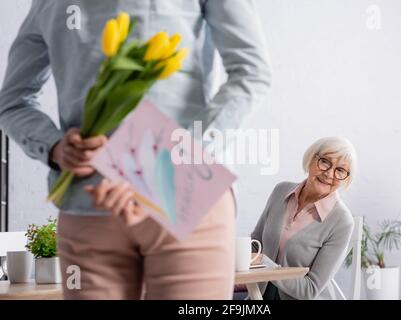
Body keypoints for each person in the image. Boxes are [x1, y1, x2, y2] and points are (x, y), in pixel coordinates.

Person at [0, 0, 271, 299]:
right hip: (93, 205)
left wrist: (173, 162)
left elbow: (250, 72)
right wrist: (54, 146)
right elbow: (13, 102)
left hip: (184, 199)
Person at [250, 137, 356, 300]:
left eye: (340, 170)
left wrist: (265, 265)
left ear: (346, 178)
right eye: (325, 161)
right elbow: (255, 243)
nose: (329, 173)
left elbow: (310, 289)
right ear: (311, 158)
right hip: (258, 294)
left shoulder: (342, 221)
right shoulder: (281, 191)